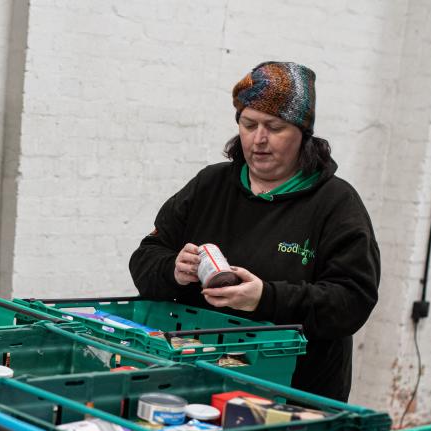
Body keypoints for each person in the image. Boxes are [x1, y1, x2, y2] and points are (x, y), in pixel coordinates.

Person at [128, 61, 380, 402]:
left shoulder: (336, 203)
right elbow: (146, 257)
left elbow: (352, 301)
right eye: (249, 125)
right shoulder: (210, 186)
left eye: (275, 127)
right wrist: (172, 269)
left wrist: (266, 297)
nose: (259, 139)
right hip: (198, 380)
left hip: (294, 393)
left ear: (303, 134)